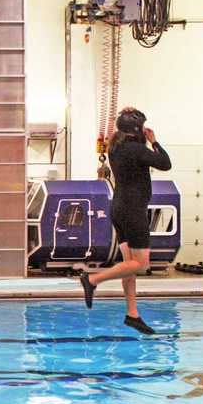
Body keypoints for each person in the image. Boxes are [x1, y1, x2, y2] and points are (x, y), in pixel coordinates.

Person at [80, 107, 171, 334]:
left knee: (128, 265)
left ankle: (133, 314)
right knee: (141, 263)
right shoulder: (136, 149)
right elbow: (165, 163)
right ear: (137, 130)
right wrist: (155, 141)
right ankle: (92, 280)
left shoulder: (116, 146)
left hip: (119, 208)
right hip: (133, 210)